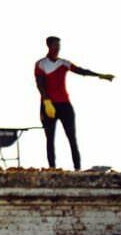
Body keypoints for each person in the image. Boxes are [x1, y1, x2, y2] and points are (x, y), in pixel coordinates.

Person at [35, 36, 114, 170]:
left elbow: (80, 71)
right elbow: (40, 84)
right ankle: (52, 168)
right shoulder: (41, 64)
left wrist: (99, 75)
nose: (57, 48)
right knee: (50, 138)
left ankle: (77, 168)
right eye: (55, 45)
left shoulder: (63, 63)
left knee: (72, 137)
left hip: (65, 104)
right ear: (48, 46)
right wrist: (46, 101)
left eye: (59, 45)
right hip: (48, 105)